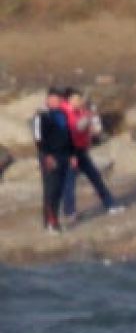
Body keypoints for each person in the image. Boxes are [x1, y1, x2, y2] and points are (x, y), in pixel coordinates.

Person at [59, 89, 123, 221]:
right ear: (70, 99)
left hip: (81, 150)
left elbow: (92, 129)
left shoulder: (81, 111)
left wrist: (92, 125)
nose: (80, 101)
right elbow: (75, 128)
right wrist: (86, 120)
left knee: (96, 178)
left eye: (81, 99)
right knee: (69, 183)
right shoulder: (63, 113)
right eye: (77, 99)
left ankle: (110, 204)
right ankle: (69, 212)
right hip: (69, 152)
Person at [31, 87, 74, 233]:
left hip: (63, 155)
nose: (57, 101)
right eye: (54, 99)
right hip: (48, 155)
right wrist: (47, 155)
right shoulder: (41, 116)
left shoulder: (62, 114)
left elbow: (68, 136)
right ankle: (51, 222)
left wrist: (72, 154)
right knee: (51, 188)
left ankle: (53, 219)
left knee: (60, 188)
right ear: (48, 99)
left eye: (59, 99)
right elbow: (38, 138)